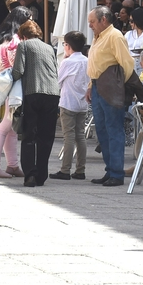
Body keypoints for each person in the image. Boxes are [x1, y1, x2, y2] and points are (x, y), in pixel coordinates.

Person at [87, 6, 135, 187]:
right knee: (102, 130)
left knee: (114, 129)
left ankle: (116, 172)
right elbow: (96, 63)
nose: (90, 25)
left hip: (110, 87)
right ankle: (110, 170)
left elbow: (127, 64)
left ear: (103, 20)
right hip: (98, 85)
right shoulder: (99, 36)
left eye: (92, 22)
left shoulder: (114, 36)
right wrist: (91, 85)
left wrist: (119, 86)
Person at [9, 20, 59, 187]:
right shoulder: (49, 48)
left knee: (29, 135)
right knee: (46, 136)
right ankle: (42, 175)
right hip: (52, 93)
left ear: (23, 36)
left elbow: (18, 71)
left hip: (33, 91)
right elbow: (54, 69)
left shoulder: (24, 46)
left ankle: (30, 174)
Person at [0, 7, 32, 178]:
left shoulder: (2, 39)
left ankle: (12, 165)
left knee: (10, 128)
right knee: (3, 127)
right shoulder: (15, 42)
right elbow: (16, 68)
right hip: (8, 88)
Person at [49, 31, 90, 182]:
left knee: (69, 137)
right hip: (82, 103)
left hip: (68, 102)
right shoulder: (86, 60)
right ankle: (81, 169)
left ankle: (65, 169)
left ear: (68, 46)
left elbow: (57, 81)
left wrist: (64, 61)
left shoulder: (67, 62)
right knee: (80, 136)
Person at [125, 7, 143, 76]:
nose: (130, 23)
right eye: (129, 21)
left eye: (132, 21)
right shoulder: (128, 34)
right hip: (130, 64)